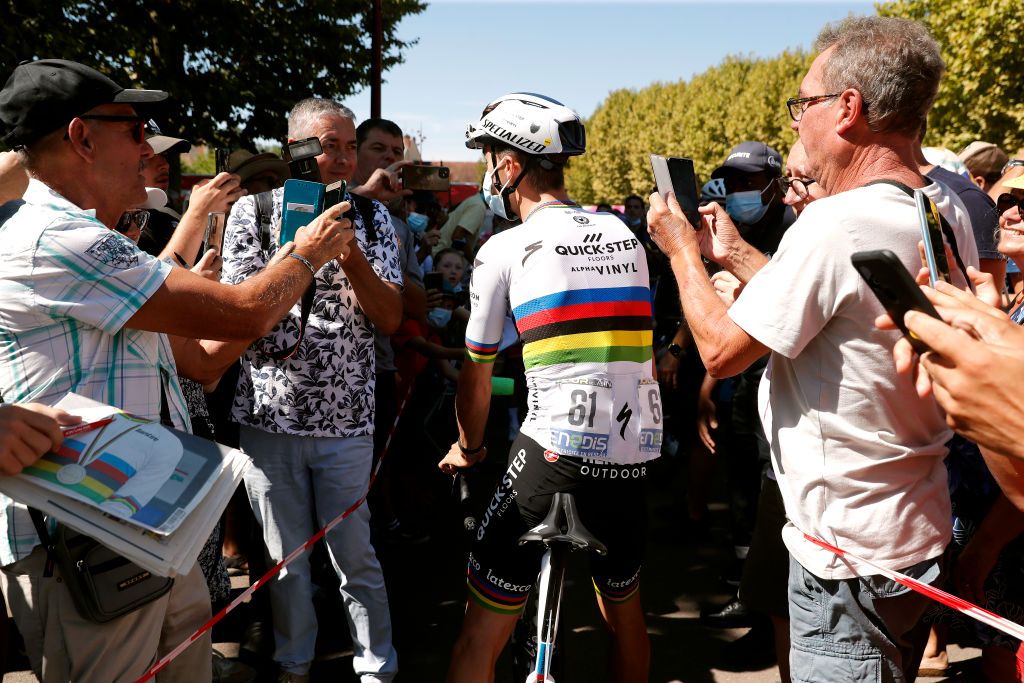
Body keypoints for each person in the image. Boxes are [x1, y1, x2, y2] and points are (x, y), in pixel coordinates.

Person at [647, 17, 978, 681]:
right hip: (911, 532)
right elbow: (827, 311)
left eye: (805, 104)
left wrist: (682, 250)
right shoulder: (941, 207)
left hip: (846, 560)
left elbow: (719, 351)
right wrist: (734, 252)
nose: (797, 123)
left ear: (848, 109)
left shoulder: (835, 221)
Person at [0, 58, 350, 683]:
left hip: (145, 524)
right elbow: (244, 315)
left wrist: (256, 305)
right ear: (81, 138)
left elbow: (205, 360)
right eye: (135, 130)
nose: (149, 148)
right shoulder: (60, 238)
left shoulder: (95, 243)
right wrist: (302, 255)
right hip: (82, 539)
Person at [438, 92, 658, 683]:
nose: (488, 170)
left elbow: (476, 374)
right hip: (632, 456)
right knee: (626, 616)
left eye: (489, 157)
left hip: (554, 455)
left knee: (477, 636)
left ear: (511, 165)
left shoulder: (503, 247)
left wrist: (471, 449)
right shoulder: (624, 233)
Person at [221, 97, 402, 683]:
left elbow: (393, 318)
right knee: (284, 561)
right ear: (297, 147)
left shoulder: (374, 220)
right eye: (331, 145)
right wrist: (302, 252)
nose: (343, 159)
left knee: (356, 559)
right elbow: (241, 312)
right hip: (268, 418)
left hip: (346, 419)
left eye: (351, 146)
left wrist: (351, 260)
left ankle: (376, 668)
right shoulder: (254, 213)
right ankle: (293, 664)